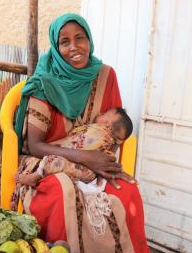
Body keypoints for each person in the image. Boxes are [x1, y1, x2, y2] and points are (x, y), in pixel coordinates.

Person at [8, 13, 149, 253]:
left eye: (80, 38)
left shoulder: (106, 76)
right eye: (65, 41)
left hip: (92, 165)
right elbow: (34, 145)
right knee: (63, 191)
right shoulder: (44, 82)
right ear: (56, 45)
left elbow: (113, 134)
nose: (74, 47)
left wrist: (97, 164)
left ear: (89, 40)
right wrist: (84, 158)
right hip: (46, 162)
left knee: (128, 188)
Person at [14, 108, 133, 188]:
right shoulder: (109, 141)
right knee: (58, 163)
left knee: (53, 160)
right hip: (87, 174)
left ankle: (35, 177)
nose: (99, 113)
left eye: (104, 115)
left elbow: (75, 143)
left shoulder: (98, 132)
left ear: (108, 126)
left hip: (75, 165)